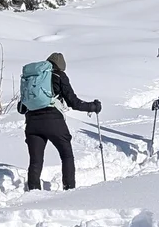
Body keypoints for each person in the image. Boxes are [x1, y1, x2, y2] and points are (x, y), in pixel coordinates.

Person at [18, 51, 100, 191]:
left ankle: (33, 192)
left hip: (32, 123)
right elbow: (74, 102)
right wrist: (93, 106)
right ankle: (69, 189)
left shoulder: (34, 78)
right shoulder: (59, 75)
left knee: (35, 161)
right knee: (66, 155)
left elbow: (21, 108)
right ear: (61, 66)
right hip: (53, 121)